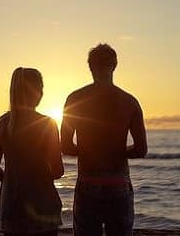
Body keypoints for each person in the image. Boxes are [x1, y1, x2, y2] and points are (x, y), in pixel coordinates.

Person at [61, 44, 148, 236]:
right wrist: (118, 151)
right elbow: (142, 150)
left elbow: (65, 145)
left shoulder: (75, 99)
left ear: (90, 67)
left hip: (88, 181)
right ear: (115, 65)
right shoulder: (130, 102)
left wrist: (87, 150)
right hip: (118, 183)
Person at [0, 67, 64, 236]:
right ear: (36, 92)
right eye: (41, 88)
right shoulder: (47, 124)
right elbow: (58, 170)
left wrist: (13, 180)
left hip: (11, 204)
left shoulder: (2, 123)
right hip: (42, 205)